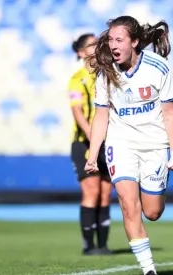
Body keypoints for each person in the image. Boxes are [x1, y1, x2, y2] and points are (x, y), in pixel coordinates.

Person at [84, 16, 173, 275]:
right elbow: (101, 115)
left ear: (135, 42)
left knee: (152, 212)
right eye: (111, 40)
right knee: (128, 204)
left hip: (155, 146)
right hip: (121, 144)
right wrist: (93, 155)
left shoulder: (158, 68)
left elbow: (170, 113)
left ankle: (155, 192)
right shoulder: (107, 71)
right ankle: (148, 270)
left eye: (119, 40)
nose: (113, 45)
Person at [68, 33, 114, 256]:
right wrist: (94, 138)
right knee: (91, 191)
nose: (97, 47)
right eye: (91, 44)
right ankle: (89, 245)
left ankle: (103, 246)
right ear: (80, 52)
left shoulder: (108, 74)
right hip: (84, 143)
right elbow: (77, 111)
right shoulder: (77, 79)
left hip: (109, 143)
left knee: (106, 193)